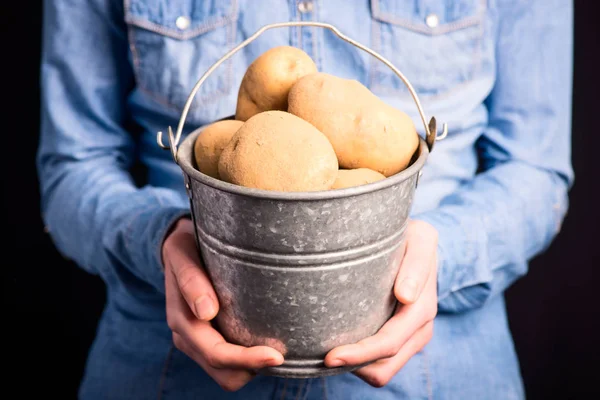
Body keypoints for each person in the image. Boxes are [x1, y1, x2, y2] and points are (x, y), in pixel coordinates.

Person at [37, 1, 573, 399]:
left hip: (444, 375)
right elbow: (71, 168)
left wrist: (441, 254)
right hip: (162, 368)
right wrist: (159, 240)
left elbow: (536, 168)